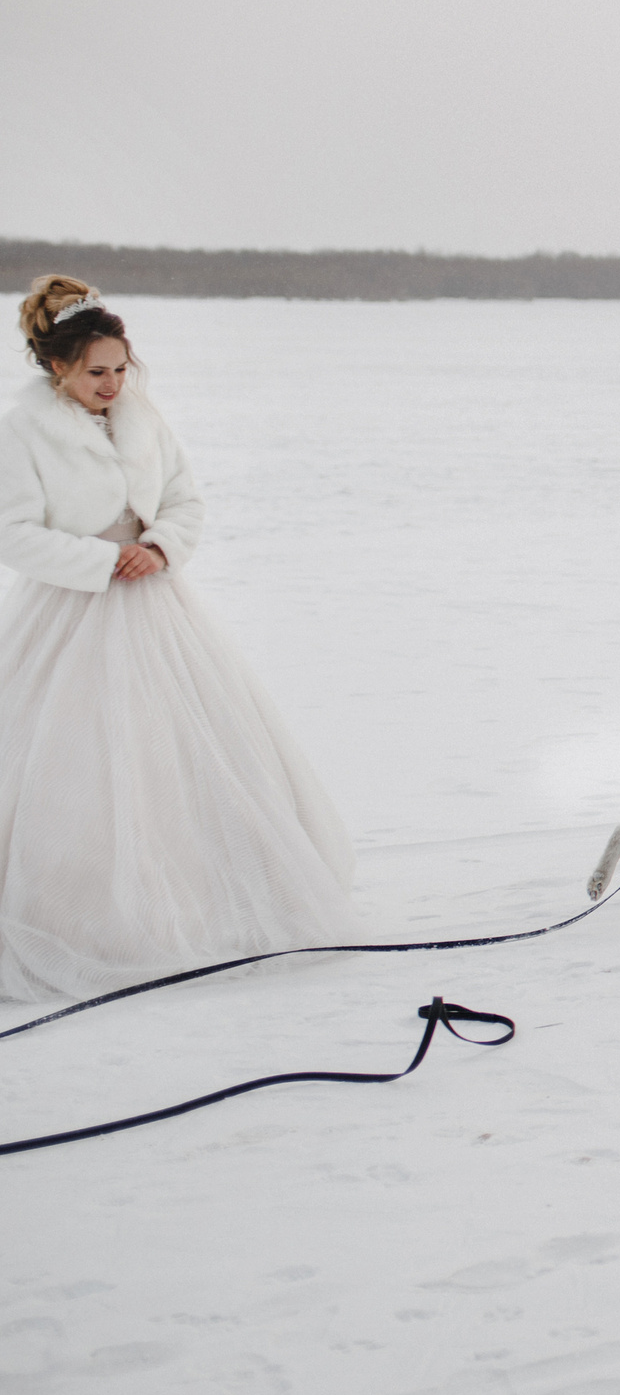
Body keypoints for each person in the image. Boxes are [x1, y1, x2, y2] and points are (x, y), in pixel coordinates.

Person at [0, 276, 355, 1002]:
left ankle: (201, 903)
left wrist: (159, 546)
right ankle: (82, 918)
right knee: (77, 761)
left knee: (183, 751)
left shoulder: (143, 417)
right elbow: (14, 533)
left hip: (158, 603)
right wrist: (104, 560)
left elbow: (187, 498)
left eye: (121, 367)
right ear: (58, 366)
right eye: (96, 371)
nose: (112, 383)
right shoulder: (19, 428)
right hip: (72, 609)